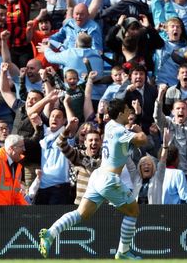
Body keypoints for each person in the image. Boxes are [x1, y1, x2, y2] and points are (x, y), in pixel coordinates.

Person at [38, 99, 148, 260]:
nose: (129, 112)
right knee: (133, 212)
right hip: (109, 179)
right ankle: (123, 252)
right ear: (120, 113)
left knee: (81, 214)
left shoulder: (110, 125)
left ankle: (50, 233)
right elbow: (142, 139)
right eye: (127, 110)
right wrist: (139, 130)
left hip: (98, 176)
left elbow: (125, 144)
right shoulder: (119, 130)